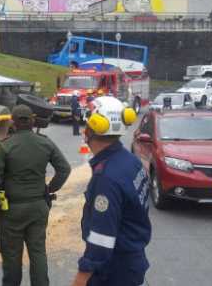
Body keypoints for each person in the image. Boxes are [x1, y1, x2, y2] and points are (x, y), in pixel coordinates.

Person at [0, 104, 71, 286]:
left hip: (11, 209)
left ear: (12, 123)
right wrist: (50, 189)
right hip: (38, 206)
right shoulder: (45, 142)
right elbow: (64, 169)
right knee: (38, 252)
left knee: (12, 256)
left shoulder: (4, 147)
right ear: (32, 121)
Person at [71, 97, 151, 286]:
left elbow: (102, 238)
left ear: (90, 131)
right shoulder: (129, 160)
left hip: (113, 270)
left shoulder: (106, 178)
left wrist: (81, 279)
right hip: (130, 260)